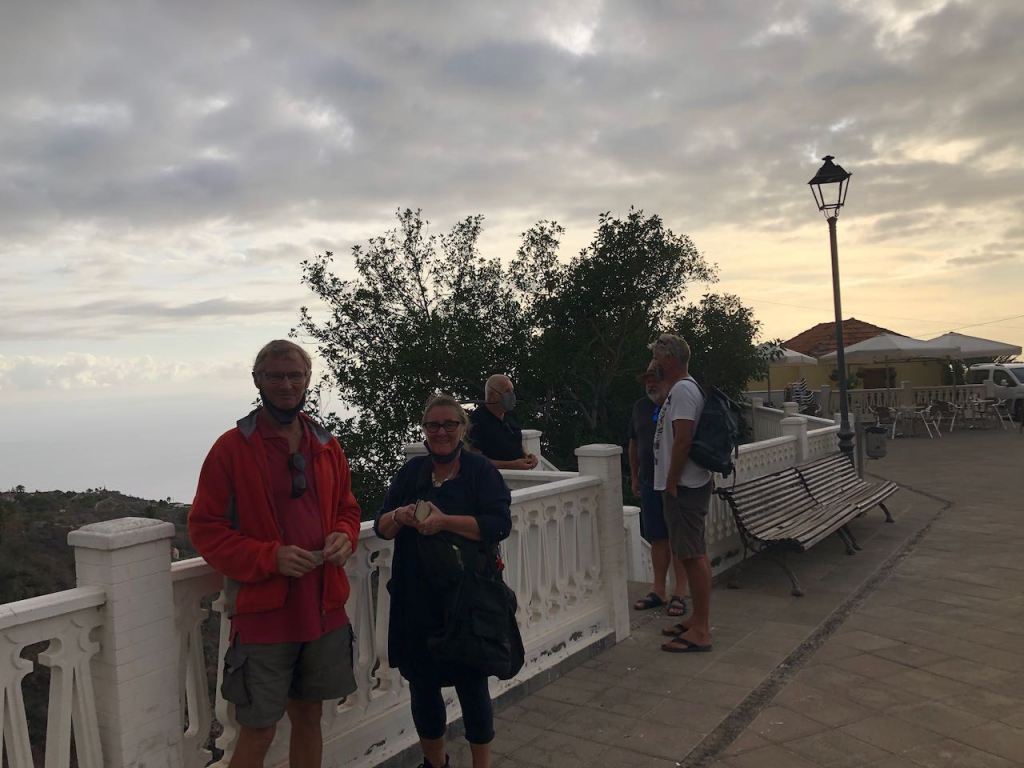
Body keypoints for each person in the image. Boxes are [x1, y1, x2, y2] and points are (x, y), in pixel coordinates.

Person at [189, 340, 362, 768]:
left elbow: (348, 508)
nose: (286, 384)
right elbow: (206, 529)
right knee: (259, 728)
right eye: (275, 376)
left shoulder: (326, 445)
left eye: (295, 376)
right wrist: (270, 557)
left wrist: (344, 534)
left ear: (307, 381)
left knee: (309, 716)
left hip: (323, 606)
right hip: (265, 614)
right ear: (258, 381)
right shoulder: (231, 449)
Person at [375, 394, 513, 768]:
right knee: (422, 688)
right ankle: (435, 764)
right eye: (433, 425)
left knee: (472, 686)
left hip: (466, 600)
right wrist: (401, 515)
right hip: (415, 598)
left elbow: (498, 524)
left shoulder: (480, 472)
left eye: (449, 424)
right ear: (424, 430)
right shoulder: (411, 474)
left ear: (462, 429)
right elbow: (380, 527)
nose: (441, 431)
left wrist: (444, 521)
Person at [649, 333, 715, 653]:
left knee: (692, 554)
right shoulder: (677, 391)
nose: (655, 365)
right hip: (681, 485)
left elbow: (683, 440)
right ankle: (696, 621)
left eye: (659, 359)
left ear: (671, 360)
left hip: (685, 486)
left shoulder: (685, 390)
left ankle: (701, 630)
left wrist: (673, 480)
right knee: (689, 554)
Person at [628, 360, 689, 617]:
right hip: (649, 482)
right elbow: (633, 443)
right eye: (647, 380)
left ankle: (680, 593)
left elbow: (685, 440)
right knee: (657, 538)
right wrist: (633, 476)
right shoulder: (640, 408)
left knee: (679, 540)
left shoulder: (677, 403)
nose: (651, 384)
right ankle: (659, 590)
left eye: (655, 378)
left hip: (675, 482)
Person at [468, 374, 539, 470]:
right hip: (494, 479)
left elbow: (515, 441)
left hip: (520, 476)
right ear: (492, 395)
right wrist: (511, 465)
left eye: (512, 391)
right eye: (507, 391)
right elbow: (475, 460)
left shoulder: (510, 415)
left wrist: (528, 456)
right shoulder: (476, 420)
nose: (511, 395)